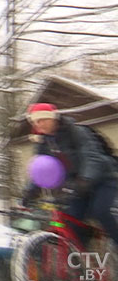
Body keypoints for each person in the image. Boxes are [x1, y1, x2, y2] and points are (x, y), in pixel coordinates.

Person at [22, 102, 118, 246]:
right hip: (77, 185)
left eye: (42, 119)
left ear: (53, 118)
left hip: (103, 179)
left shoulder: (76, 131)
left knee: (101, 211)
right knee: (72, 221)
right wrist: (30, 193)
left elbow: (91, 156)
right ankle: (81, 263)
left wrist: (86, 179)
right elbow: (42, 170)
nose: (39, 124)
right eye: (35, 121)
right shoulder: (43, 144)